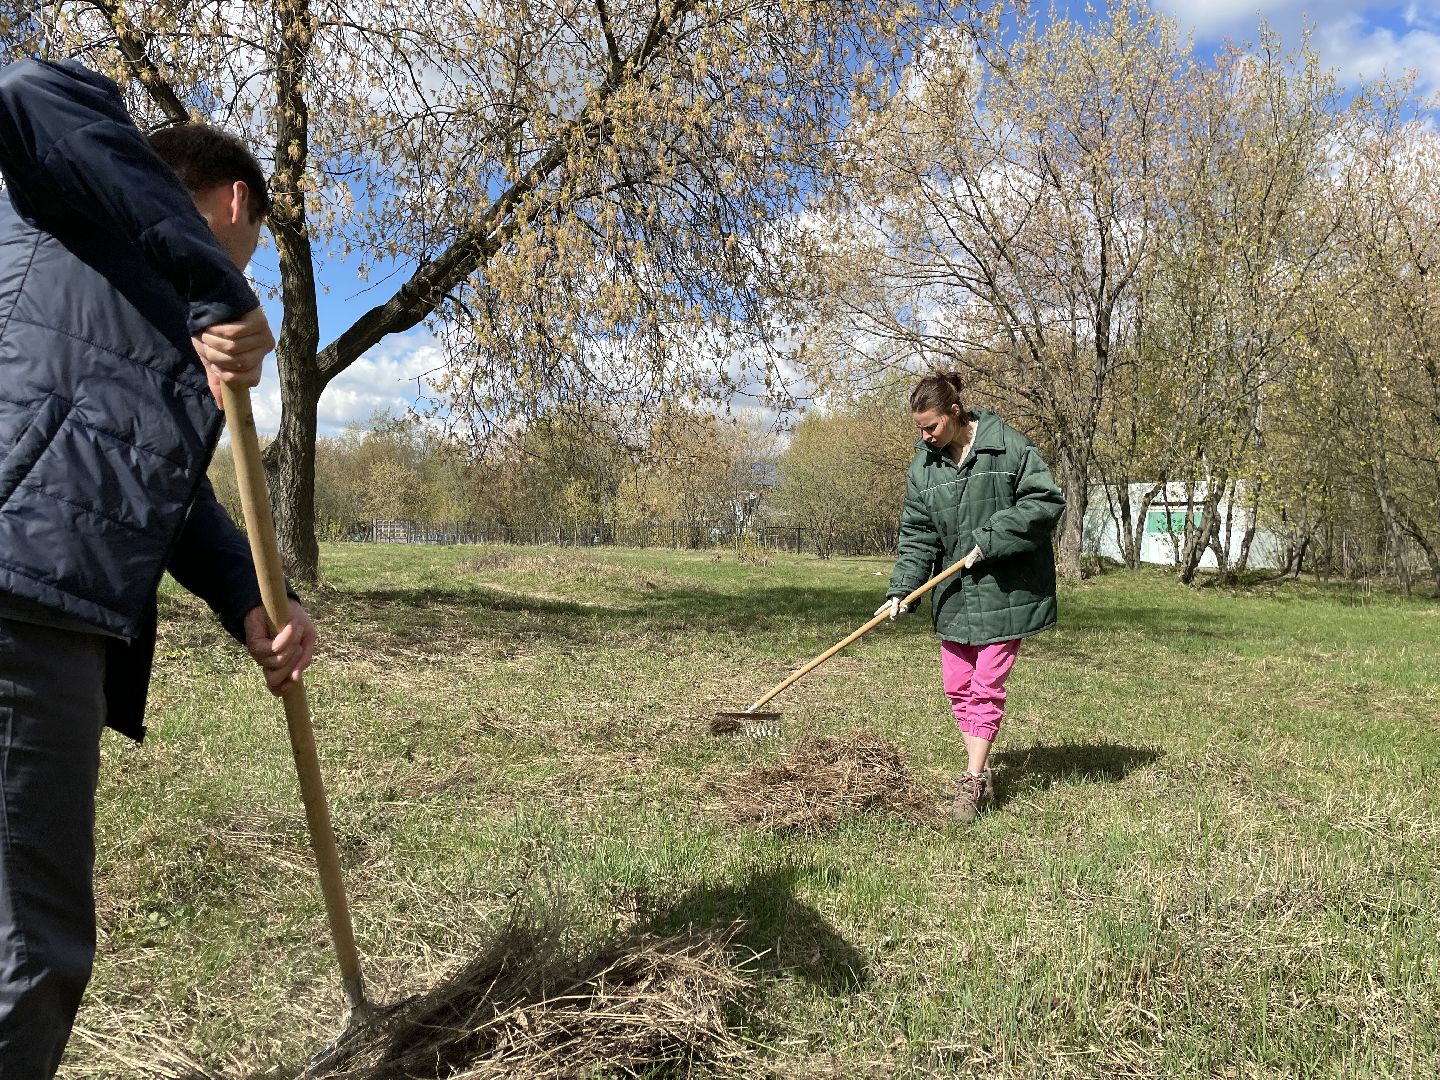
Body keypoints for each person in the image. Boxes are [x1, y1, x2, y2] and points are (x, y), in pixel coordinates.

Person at [0, 57, 316, 1077]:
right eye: (253, 248)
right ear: (234, 204)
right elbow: (27, 87)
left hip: (47, 598)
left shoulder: (153, 309)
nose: (251, 271)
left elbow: (158, 499)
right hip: (22, 606)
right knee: (31, 950)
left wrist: (250, 603)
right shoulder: (67, 200)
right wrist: (212, 283)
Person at [877, 371, 1065, 823]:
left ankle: (973, 779)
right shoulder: (924, 468)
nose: (925, 437)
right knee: (957, 686)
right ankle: (978, 769)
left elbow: (1045, 502)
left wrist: (993, 538)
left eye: (931, 427)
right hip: (954, 593)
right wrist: (902, 589)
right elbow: (918, 536)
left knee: (985, 687)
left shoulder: (1010, 448)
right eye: (920, 429)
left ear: (955, 413)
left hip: (1006, 592)